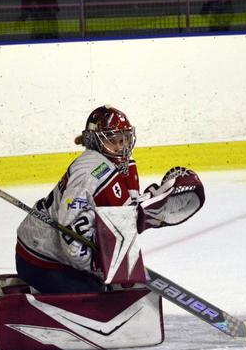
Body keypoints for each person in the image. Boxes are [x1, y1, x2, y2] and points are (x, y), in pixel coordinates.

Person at [15, 105, 205, 294]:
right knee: (99, 296)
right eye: (114, 141)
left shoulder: (117, 164)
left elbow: (122, 214)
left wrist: (150, 203)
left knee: (106, 289)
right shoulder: (88, 174)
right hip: (39, 259)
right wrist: (100, 267)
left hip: (56, 252)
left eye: (125, 139)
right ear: (95, 141)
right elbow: (71, 242)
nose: (122, 147)